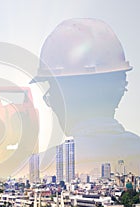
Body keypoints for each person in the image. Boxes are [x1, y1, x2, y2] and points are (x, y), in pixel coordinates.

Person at [32, 18, 140, 175]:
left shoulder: (40, 168)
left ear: (64, 99)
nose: (51, 105)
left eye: (52, 95)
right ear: (120, 91)